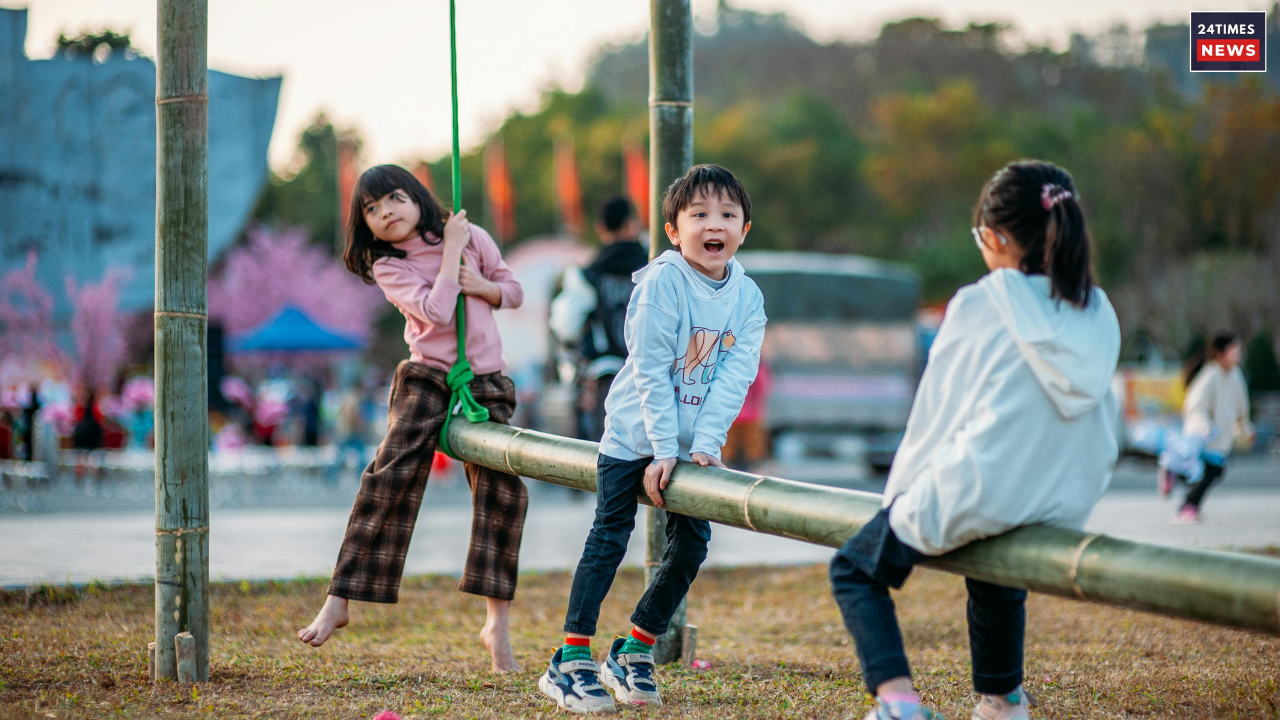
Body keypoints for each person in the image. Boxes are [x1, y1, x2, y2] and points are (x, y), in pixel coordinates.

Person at [829, 161, 1121, 720]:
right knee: (993, 564)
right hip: (1068, 494)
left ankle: (898, 704)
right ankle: (1002, 700)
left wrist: (900, 499)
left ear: (996, 238)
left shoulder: (980, 302)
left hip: (990, 482)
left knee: (855, 568)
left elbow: (938, 413)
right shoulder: (1095, 306)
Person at [538, 165, 767, 713]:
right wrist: (663, 448)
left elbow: (735, 376)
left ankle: (633, 649)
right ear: (673, 231)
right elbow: (650, 370)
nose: (714, 225)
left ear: (744, 229)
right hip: (634, 432)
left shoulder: (748, 297)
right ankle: (570, 659)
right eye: (699, 215)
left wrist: (704, 444)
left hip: (688, 449)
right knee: (609, 537)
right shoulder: (662, 281)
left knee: (691, 545)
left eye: (727, 215)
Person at [297, 164, 529, 673]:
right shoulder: (390, 265)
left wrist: (480, 283)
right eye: (371, 209)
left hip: (485, 378)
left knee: (503, 491)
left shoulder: (470, 235)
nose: (385, 213)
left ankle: (497, 624)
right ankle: (340, 597)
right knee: (390, 476)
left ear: (417, 197)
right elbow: (437, 312)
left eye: (394, 199)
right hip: (427, 376)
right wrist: (450, 255)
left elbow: (514, 292)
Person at [549, 195, 650, 442]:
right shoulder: (655, 269)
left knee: (603, 450)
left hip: (606, 379)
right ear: (632, 224)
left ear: (600, 228)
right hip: (651, 376)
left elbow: (565, 326)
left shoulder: (585, 276)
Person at [1174, 333, 1253, 523]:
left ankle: (1187, 501)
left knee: (1213, 472)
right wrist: (1203, 426)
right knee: (1210, 472)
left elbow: (1242, 408)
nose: (1237, 356)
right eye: (1232, 352)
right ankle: (1187, 504)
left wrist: (1246, 429)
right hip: (1204, 436)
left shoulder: (1235, 376)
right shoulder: (1209, 375)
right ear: (1219, 354)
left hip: (1221, 438)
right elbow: (1195, 406)